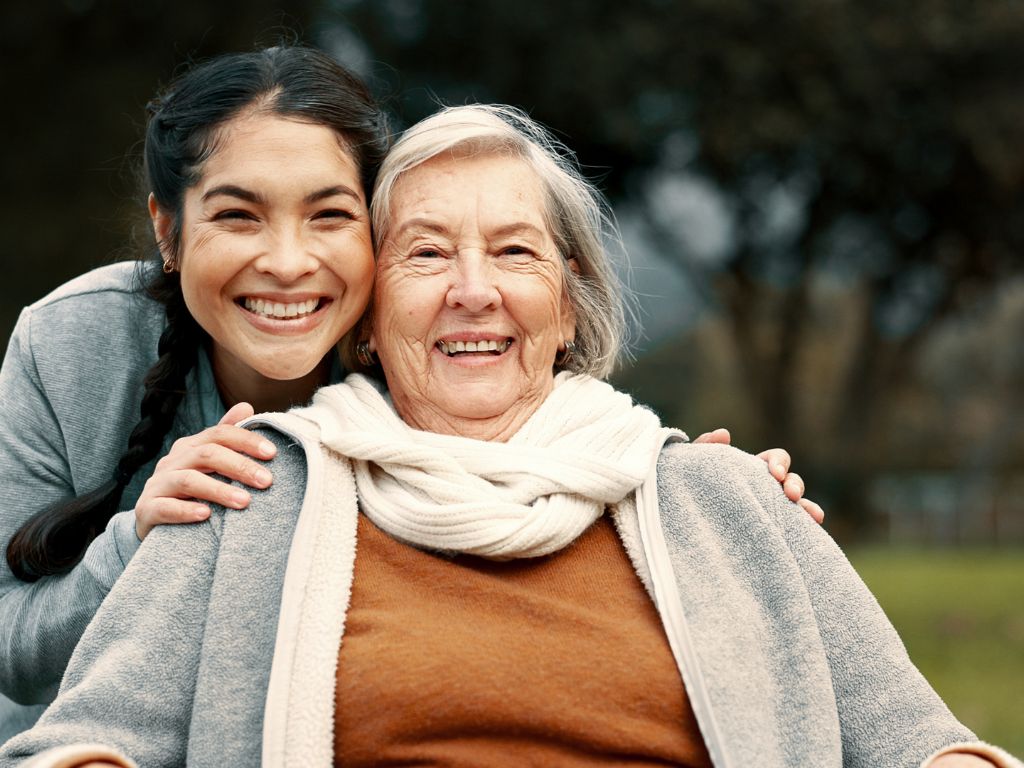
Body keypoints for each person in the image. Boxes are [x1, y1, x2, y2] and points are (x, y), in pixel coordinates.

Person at [1, 105, 1018, 768]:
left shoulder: (724, 497)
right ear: (364, 311)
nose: (472, 291)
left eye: (515, 252)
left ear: (569, 303)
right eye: (426, 252)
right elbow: (93, 743)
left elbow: (925, 747)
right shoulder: (257, 493)